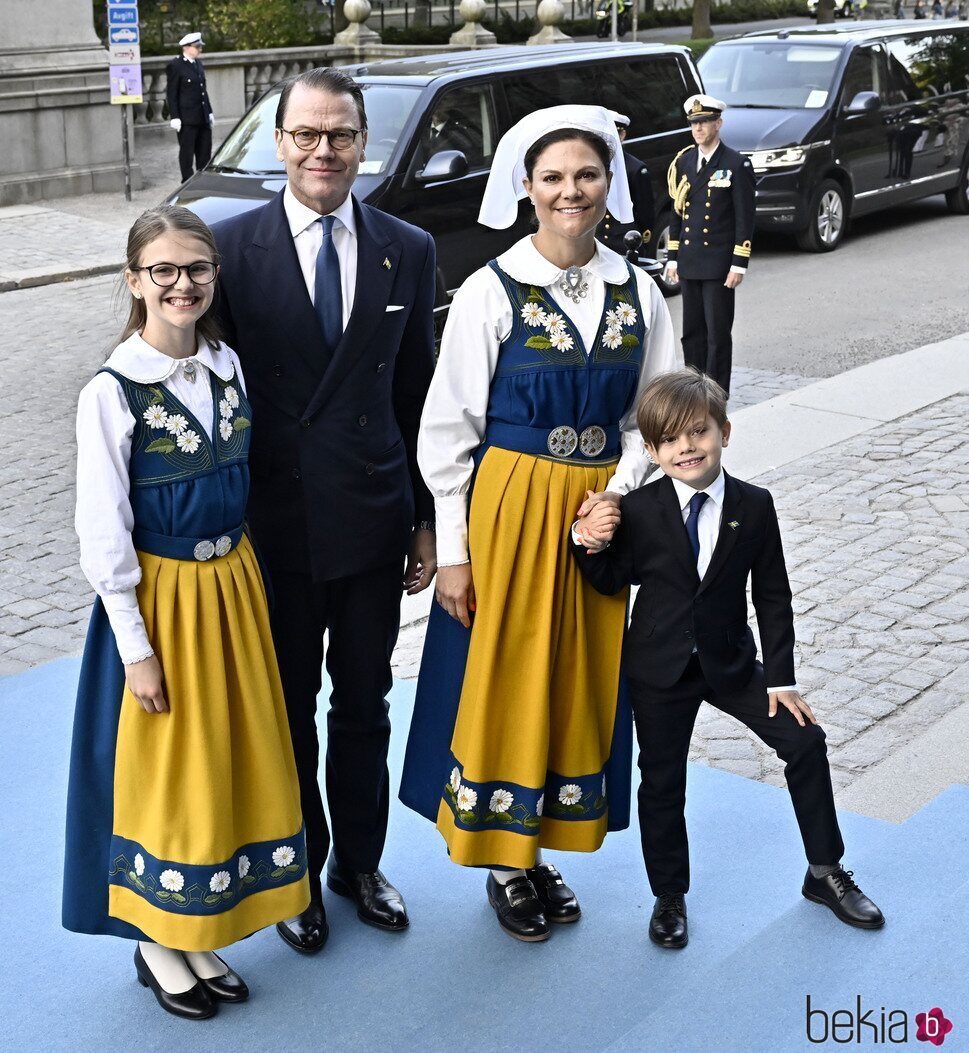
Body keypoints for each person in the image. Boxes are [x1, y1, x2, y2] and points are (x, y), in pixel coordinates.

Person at [398, 105, 678, 943]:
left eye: (585, 175)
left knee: (577, 678)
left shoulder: (640, 289)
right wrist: (455, 553)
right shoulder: (492, 289)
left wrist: (620, 491)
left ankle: (540, 841)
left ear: (609, 184)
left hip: (599, 515)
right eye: (552, 177)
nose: (570, 191)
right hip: (512, 509)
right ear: (525, 187)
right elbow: (445, 433)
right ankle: (507, 860)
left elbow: (655, 415)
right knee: (510, 673)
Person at [210, 66, 437, 955]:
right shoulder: (227, 250)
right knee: (289, 703)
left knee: (367, 701)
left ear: (361, 142)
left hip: (374, 516)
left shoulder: (406, 247)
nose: (323, 150)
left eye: (339, 134)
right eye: (306, 135)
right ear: (279, 143)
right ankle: (299, 870)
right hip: (275, 528)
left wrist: (427, 520)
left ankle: (361, 863)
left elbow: (415, 394)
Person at [63, 206, 309, 1019]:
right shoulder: (112, 389)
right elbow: (103, 530)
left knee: (221, 760)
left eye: (197, 268)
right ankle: (156, 936)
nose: (182, 284)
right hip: (163, 598)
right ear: (134, 281)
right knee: (168, 770)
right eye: (163, 270)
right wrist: (136, 647)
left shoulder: (227, 365)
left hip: (232, 586)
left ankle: (195, 923)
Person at [571, 368, 885, 949]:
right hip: (659, 669)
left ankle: (825, 873)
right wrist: (586, 542)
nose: (685, 447)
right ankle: (669, 895)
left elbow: (772, 594)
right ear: (650, 450)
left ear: (725, 431)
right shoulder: (638, 509)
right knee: (661, 782)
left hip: (733, 663)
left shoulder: (754, 506)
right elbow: (613, 579)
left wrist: (782, 678)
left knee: (804, 742)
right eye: (668, 440)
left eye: (697, 432)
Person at [664, 94, 756, 396]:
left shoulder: (735, 163)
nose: (698, 128)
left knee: (717, 333)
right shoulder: (685, 161)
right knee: (691, 333)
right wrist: (673, 256)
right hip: (690, 261)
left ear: (718, 123)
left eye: (704, 122)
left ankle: (716, 393)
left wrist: (738, 262)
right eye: (694, 123)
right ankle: (693, 389)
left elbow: (745, 216)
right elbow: (677, 213)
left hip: (718, 263)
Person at [597, 112, 657, 257]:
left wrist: (639, 241)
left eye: (612, 133)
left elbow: (645, 214)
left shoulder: (635, 168)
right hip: (597, 239)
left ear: (622, 135)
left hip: (624, 241)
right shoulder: (593, 165)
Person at [166, 32, 214, 182]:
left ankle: (202, 179)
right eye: (197, 46)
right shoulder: (176, 65)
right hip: (187, 119)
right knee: (187, 152)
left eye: (200, 46)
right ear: (186, 47)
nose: (200, 49)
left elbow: (203, 91)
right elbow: (172, 93)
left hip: (202, 115)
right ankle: (187, 181)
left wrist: (210, 112)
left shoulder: (197, 64)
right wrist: (175, 116)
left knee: (205, 151)